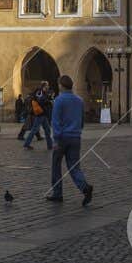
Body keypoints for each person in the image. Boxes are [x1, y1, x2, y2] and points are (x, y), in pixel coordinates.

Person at [45, 75, 93, 205]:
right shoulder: (79, 100)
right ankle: (85, 187)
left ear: (61, 85)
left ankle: (57, 193)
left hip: (62, 138)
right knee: (74, 167)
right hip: (75, 137)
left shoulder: (59, 100)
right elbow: (82, 121)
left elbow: (55, 122)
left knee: (56, 166)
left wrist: (56, 139)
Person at [23, 83, 53, 150]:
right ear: (44, 86)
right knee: (34, 130)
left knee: (47, 130)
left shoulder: (43, 92)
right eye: (47, 85)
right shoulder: (40, 92)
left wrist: (48, 99)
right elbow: (40, 100)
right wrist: (48, 101)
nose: (48, 86)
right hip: (40, 114)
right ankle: (26, 144)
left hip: (43, 114)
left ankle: (50, 146)